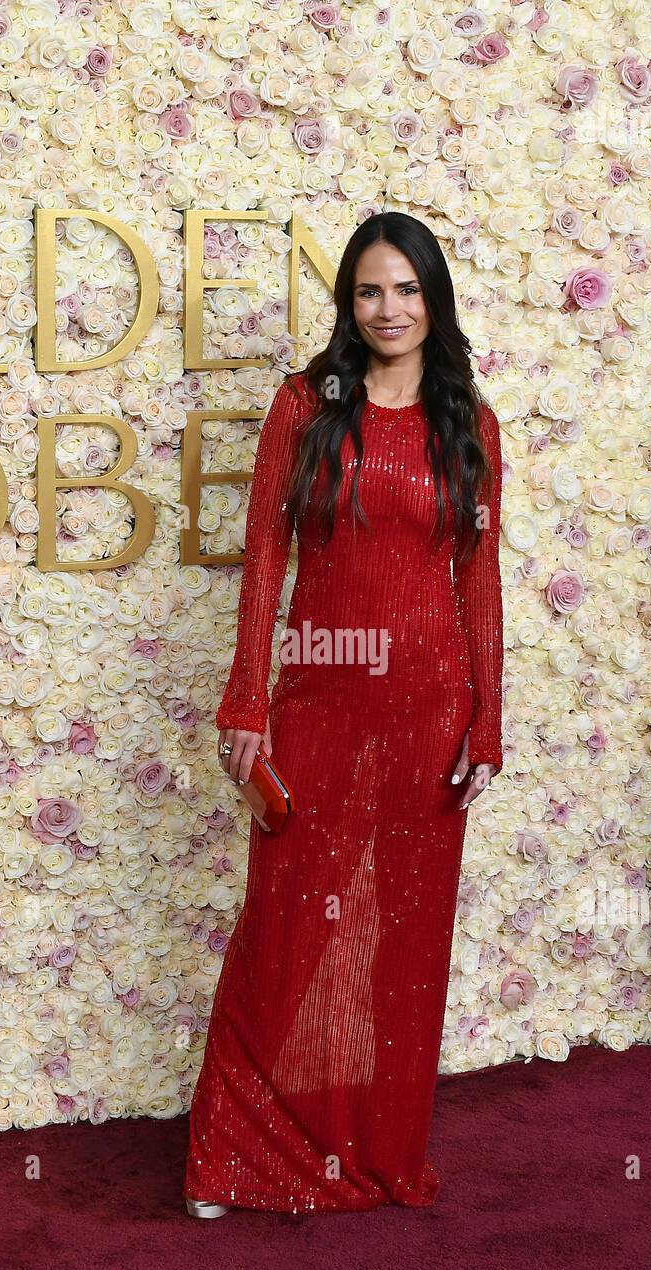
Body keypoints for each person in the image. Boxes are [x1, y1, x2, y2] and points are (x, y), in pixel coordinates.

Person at [184, 210, 504, 1217]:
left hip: (428, 716)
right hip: (316, 706)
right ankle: (231, 1160)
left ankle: (371, 1156)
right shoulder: (304, 406)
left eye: (405, 290)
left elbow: (478, 579)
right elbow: (267, 558)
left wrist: (485, 723)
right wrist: (247, 703)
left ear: (432, 299)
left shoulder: (468, 422)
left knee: (399, 951)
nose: (386, 309)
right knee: (283, 932)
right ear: (347, 302)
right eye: (368, 291)